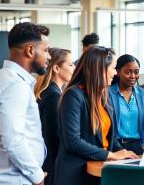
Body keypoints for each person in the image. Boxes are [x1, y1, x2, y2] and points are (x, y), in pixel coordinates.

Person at [54, 46, 138, 185]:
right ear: (99, 69)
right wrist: (111, 155)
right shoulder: (73, 95)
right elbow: (72, 141)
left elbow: (109, 138)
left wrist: (125, 153)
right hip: (76, 175)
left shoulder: (104, 95)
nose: (115, 73)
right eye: (112, 68)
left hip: (99, 169)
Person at [0, 22, 50, 185]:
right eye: (46, 50)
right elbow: (13, 140)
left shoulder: (0, 79)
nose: (49, 56)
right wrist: (37, 176)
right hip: (13, 179)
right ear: (30, 50)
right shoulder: (15, 86)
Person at [33, 47, 75, 185]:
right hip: (50, 164)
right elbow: (53, 137)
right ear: (56, 68)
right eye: (70, 64)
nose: (74, 68)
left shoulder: (50, 91)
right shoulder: (53, 96)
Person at [109, 54, 144, 155]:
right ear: (118, 72)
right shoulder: (107, 93)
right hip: (115, 146)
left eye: (136, 72)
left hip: (138, 147)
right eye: (128, 72)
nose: (133, 76)